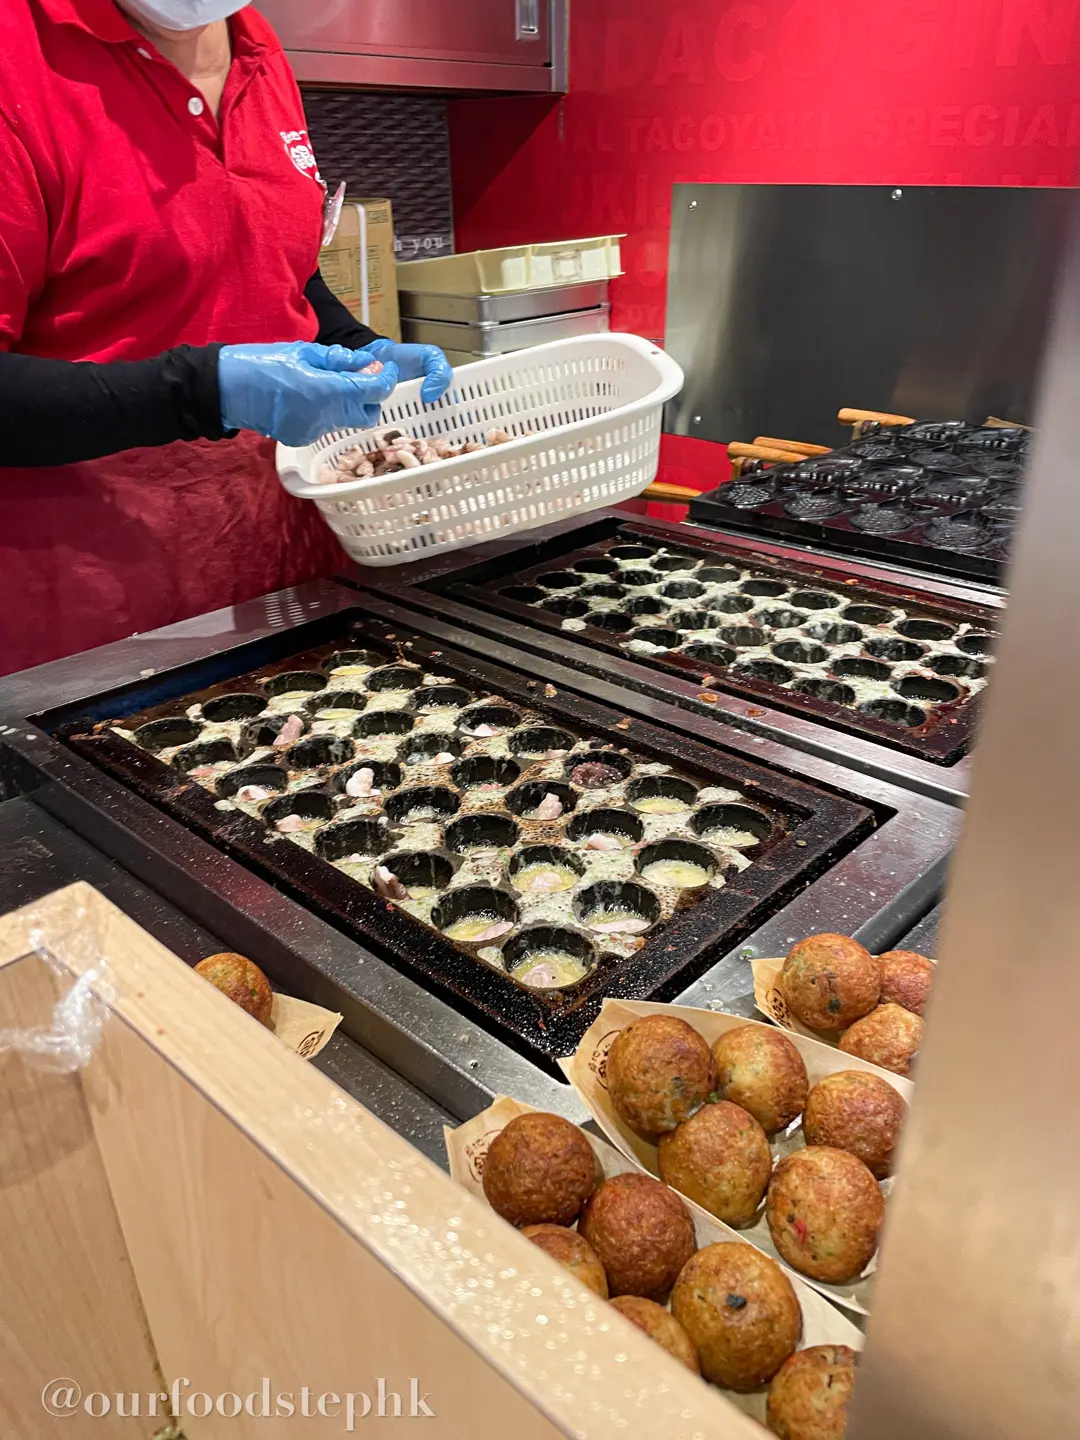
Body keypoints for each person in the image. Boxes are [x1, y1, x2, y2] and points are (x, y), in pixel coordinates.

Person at [0, 0, 452, 677]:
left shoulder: (256, 45)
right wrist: (203, 392)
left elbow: (272, 262)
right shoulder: (19, 55)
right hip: (98, 606)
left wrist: (356, 343)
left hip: (287, 565)